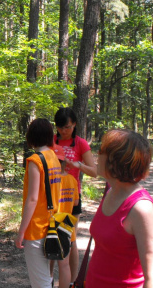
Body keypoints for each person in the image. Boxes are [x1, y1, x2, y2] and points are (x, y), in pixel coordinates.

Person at [86, 129, 153, 288]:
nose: (96, 155)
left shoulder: (141, 208)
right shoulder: (110, 191)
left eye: (101, 151)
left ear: (116, 160)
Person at [15, 119, 64, 288]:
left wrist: (21, 231)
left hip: (37, 229)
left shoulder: (35, 161)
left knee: (40, 282)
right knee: (46, 278)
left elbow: (33, 198)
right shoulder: (54, 158)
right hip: (53, 224)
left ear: (31, 137)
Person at [53, 107, 96, 284]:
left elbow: (94, 171)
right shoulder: (51, 141)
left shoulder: (80, 143)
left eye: (68, 127)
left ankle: (73, 281)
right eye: (61, 127)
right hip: (52, 196)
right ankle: (49, 279)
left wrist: (77, 165)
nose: (64, 131)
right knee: (51, 238)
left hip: (71, 198)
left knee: (69, 238)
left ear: (75, 124)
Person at [50, 144, 79, 288]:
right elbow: (76, 203)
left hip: (52, 224)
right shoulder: (72, 180)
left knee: (49, 260)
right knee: (64, 265)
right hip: (67, 225)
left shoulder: (50, 180)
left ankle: (47, 283)